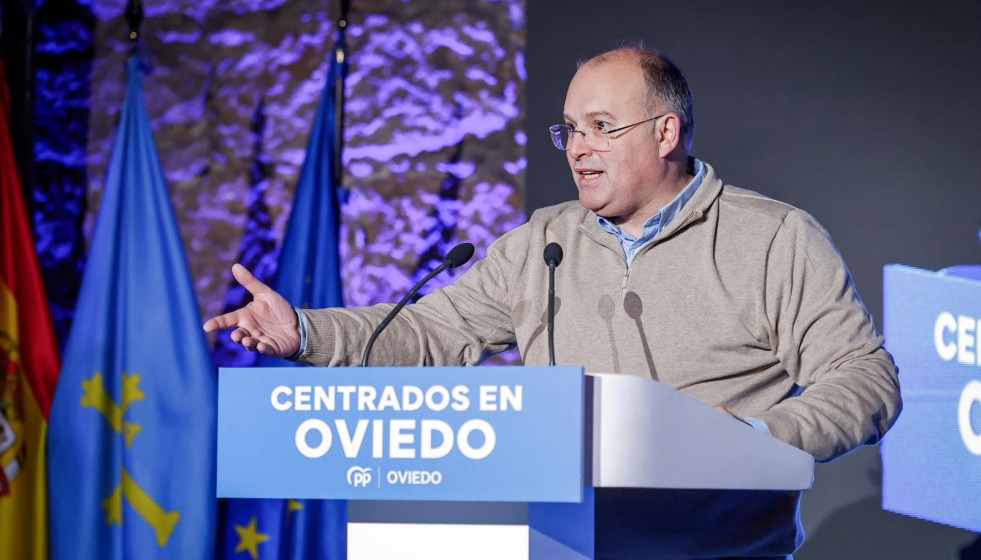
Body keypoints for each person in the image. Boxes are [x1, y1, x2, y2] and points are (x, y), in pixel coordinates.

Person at [204, 45, 901, 558]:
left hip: (714, 550)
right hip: (558, 544)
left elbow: (864, 379)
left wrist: (753, 442)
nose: (577, 148)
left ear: (665, 132)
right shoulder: (543, 240)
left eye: (601, 126)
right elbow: (428, 331)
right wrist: (303, 330)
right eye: (568, 128)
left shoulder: (772, 237)